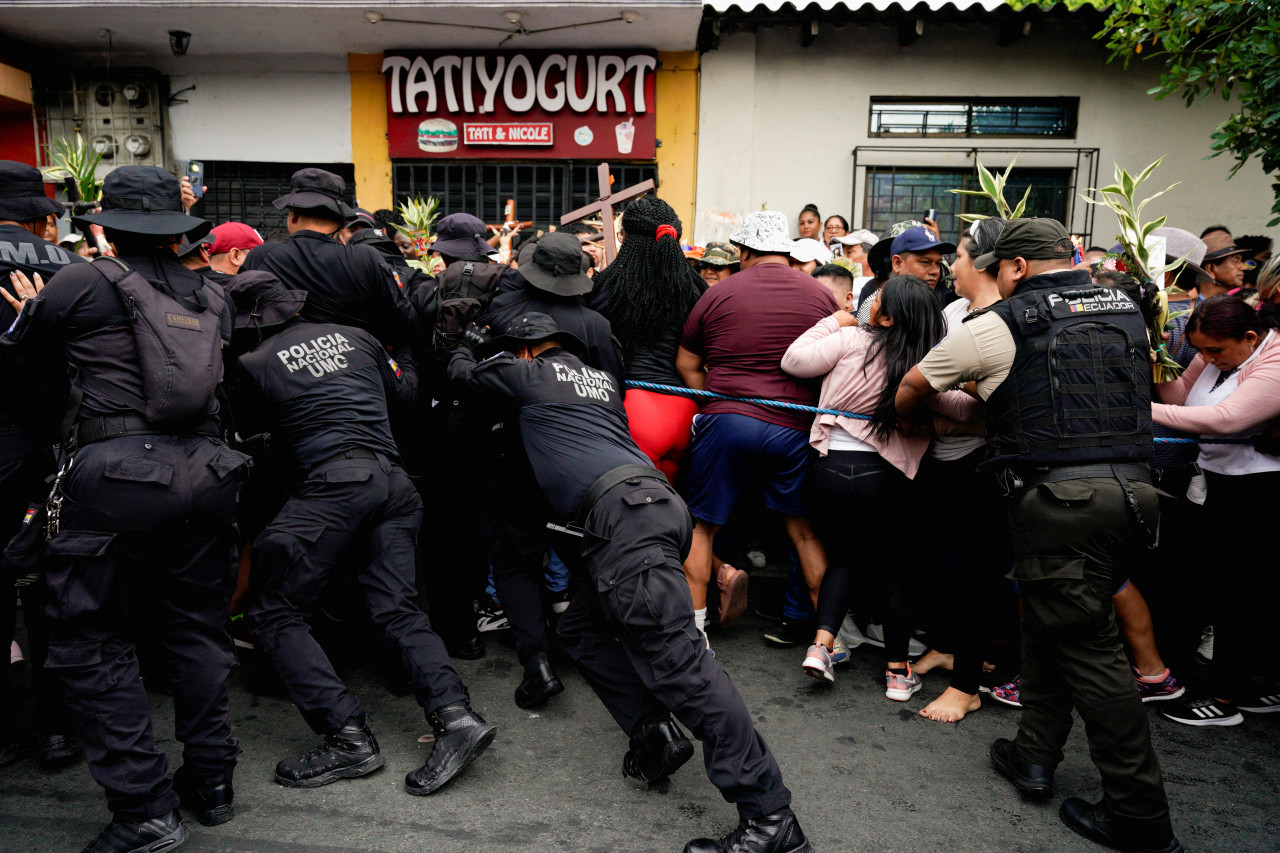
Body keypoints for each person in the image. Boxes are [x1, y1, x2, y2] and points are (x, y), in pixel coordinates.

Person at [448, 313, 813, 853]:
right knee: (583, 631)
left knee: (683, 667)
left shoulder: (527, 375)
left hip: (626, 519)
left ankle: (770, 816)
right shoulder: (600, 381)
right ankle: (654, 735)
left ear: (526, 352)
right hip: (652, 506)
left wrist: (465, 346)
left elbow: (462, 377)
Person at [895, 217, 1183, 853]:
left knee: (1093, 653)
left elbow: (913, 386)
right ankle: (1033, 755)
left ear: (1017, 268)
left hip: (1060, 501)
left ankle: (1140, 817)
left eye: (1000, 269)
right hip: (1134, 494)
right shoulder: (1129, 308)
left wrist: (927, 420)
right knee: (1052, 622)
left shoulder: (1004, 323)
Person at [1, 166, 247, 852]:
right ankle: (212, 781)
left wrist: (26, 316)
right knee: (198, 629)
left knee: (90, 640)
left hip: (116, 477)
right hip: (207, 471)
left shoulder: (83, 281)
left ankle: (144, 809)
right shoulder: (211, 290)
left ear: (104, 222)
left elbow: (28, 374)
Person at [224, 272, 496, 797]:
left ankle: (347, 739)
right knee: (399, 609)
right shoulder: (359, 337)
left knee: (272, 611)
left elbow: (252, 438)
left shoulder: (252, 363)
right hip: (393, 482)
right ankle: (456, 717)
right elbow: (409, 397)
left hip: (332, 484)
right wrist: (412, 353)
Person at [781, 277, 965, 697]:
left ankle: (820, 647)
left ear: (885, 315)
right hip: (885, 476)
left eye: (875, 300)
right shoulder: (925, 363)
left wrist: (835, 320)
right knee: (896, 570)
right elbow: (963, 408)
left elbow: (794, 360)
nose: (867, 305)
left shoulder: (849, 339)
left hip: (829, 468)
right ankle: (898, 674)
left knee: (843, 558)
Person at [475, 230, 623, 710]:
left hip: (511, 455)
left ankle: (536, 662)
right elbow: (610, 391)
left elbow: (483, 383)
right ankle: (584, 643)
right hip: (576, 464)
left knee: (515, 561)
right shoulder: (597, 326)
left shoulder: (502, 315)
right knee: (583, 556)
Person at [677, 210, 837, 647]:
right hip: (794, 426)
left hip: (726, 420)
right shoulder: (820, 295)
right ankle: (827, 641)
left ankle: (695, 634)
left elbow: (687, 364)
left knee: (702, 527)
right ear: (784, 251)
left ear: (744, 252)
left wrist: (716, 402)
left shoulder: (718, 294)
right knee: (803, 530)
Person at [1150, 295, 1280, 727]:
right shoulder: (1217, 353)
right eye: (1200, 350)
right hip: (1214, 483)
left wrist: (1137, 411)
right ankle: (1241, 685)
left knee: (1239, 596)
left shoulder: (1274, 361)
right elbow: (1183, 400)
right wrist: (1161, 365)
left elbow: (1225, 419)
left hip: (1258, 490)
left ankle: (1226, 699)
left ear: (1250, 336)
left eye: (1215, 351)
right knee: (1202, 586)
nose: (1206, 359)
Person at [0, 160, 86, 769]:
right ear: (41, 217)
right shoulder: (73, 269)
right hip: (54, 450)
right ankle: (55, 729)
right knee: (51, 589)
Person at [592, 197, 706, 481]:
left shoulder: (610, 285)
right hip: (689, 412)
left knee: (640, 513)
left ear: (626, 238)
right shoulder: (696, 289)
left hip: (636, 409)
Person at [241, 168, 416, 348]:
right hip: (358, 367)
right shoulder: (365, 258)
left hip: (281, 369)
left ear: (293, 216)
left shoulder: (261, 257)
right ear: (342, 224)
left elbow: (242, 324)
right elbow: (404, 319)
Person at [1200, 231, 1250, 296]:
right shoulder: (1186, 304)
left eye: (1241, 261)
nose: (1244, 267)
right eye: (1235, 261)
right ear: (1211, 269)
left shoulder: (1239, 303)